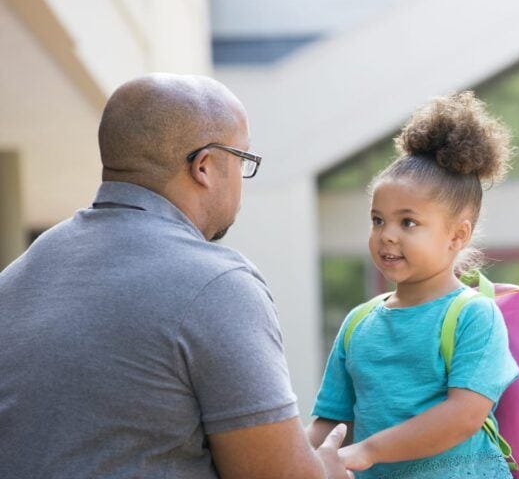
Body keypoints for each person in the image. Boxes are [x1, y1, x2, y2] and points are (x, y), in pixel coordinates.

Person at [0, 73, 351, 479]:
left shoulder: (21, 273)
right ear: (204, 166)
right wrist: (323, 469)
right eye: (243, 160)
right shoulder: (217, 284)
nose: (242, 178)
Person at [307, 92, 519, 478]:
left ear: (457, 236)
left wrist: (369, 451)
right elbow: (333, 425)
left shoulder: (474, 315)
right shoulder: (359, 323)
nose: (386, 235)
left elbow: (463, 416)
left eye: (407, 223)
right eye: (377, 220)